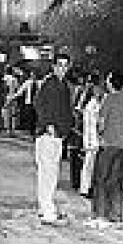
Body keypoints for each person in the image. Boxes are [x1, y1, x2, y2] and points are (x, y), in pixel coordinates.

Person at [86, 71, 123, 228]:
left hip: (108, 144)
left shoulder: (109, 99)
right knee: (115, 181)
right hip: (122, 146)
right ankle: (115, 215)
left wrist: (101, 134)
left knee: (100, 179)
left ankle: (99, 215)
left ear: (111, 83)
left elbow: (101, 121)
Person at [34, 53, 74, 226]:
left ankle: (45, 207)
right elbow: (39, 104)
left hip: (57, 134)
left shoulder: (62, 85)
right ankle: (47, 210)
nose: (62, 69)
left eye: (65, 65)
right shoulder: (50, 84)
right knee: (48, 173)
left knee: (51, 172)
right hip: (48, 134)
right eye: (60, 65)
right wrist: (48, 124)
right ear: (54, 66)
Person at [79, 77, 103, 198]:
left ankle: (86, 187)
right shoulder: (92, 105)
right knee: (89, 164)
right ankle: (86, 188)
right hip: (91, 138)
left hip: (91, 138)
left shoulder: (93, 104)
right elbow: (93, 123)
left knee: (89, 164)